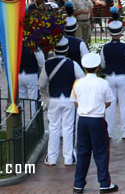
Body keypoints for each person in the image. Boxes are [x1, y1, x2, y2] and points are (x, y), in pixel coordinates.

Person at [71, 52, 119, 194]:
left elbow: (74, 102)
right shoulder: (103, 83)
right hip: (97, 119)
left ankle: (78, 184)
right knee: (101, 152)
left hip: (83, 120)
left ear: (84, 67)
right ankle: (104, 183)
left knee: (82, 152)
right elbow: (109, 101)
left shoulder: (78, 83)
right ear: (97, 67)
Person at [40, 37, 85, 166]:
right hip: (68, 99)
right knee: (68, 127)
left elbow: (41, 84)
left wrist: (47, 93)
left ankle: (52, 158)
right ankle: (69, 157)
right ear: (66, 51)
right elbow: (81, 80)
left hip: (53, 98)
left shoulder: (47, 64)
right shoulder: (73, 64)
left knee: (53, 127)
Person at [101, 15, 125, 139]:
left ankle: (108, 132)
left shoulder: (105, 47)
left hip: (109, 76)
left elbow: (102, 64)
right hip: (122, 76)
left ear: (110, 34)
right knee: (124, 104)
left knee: (109, 105)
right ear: (121, 33)